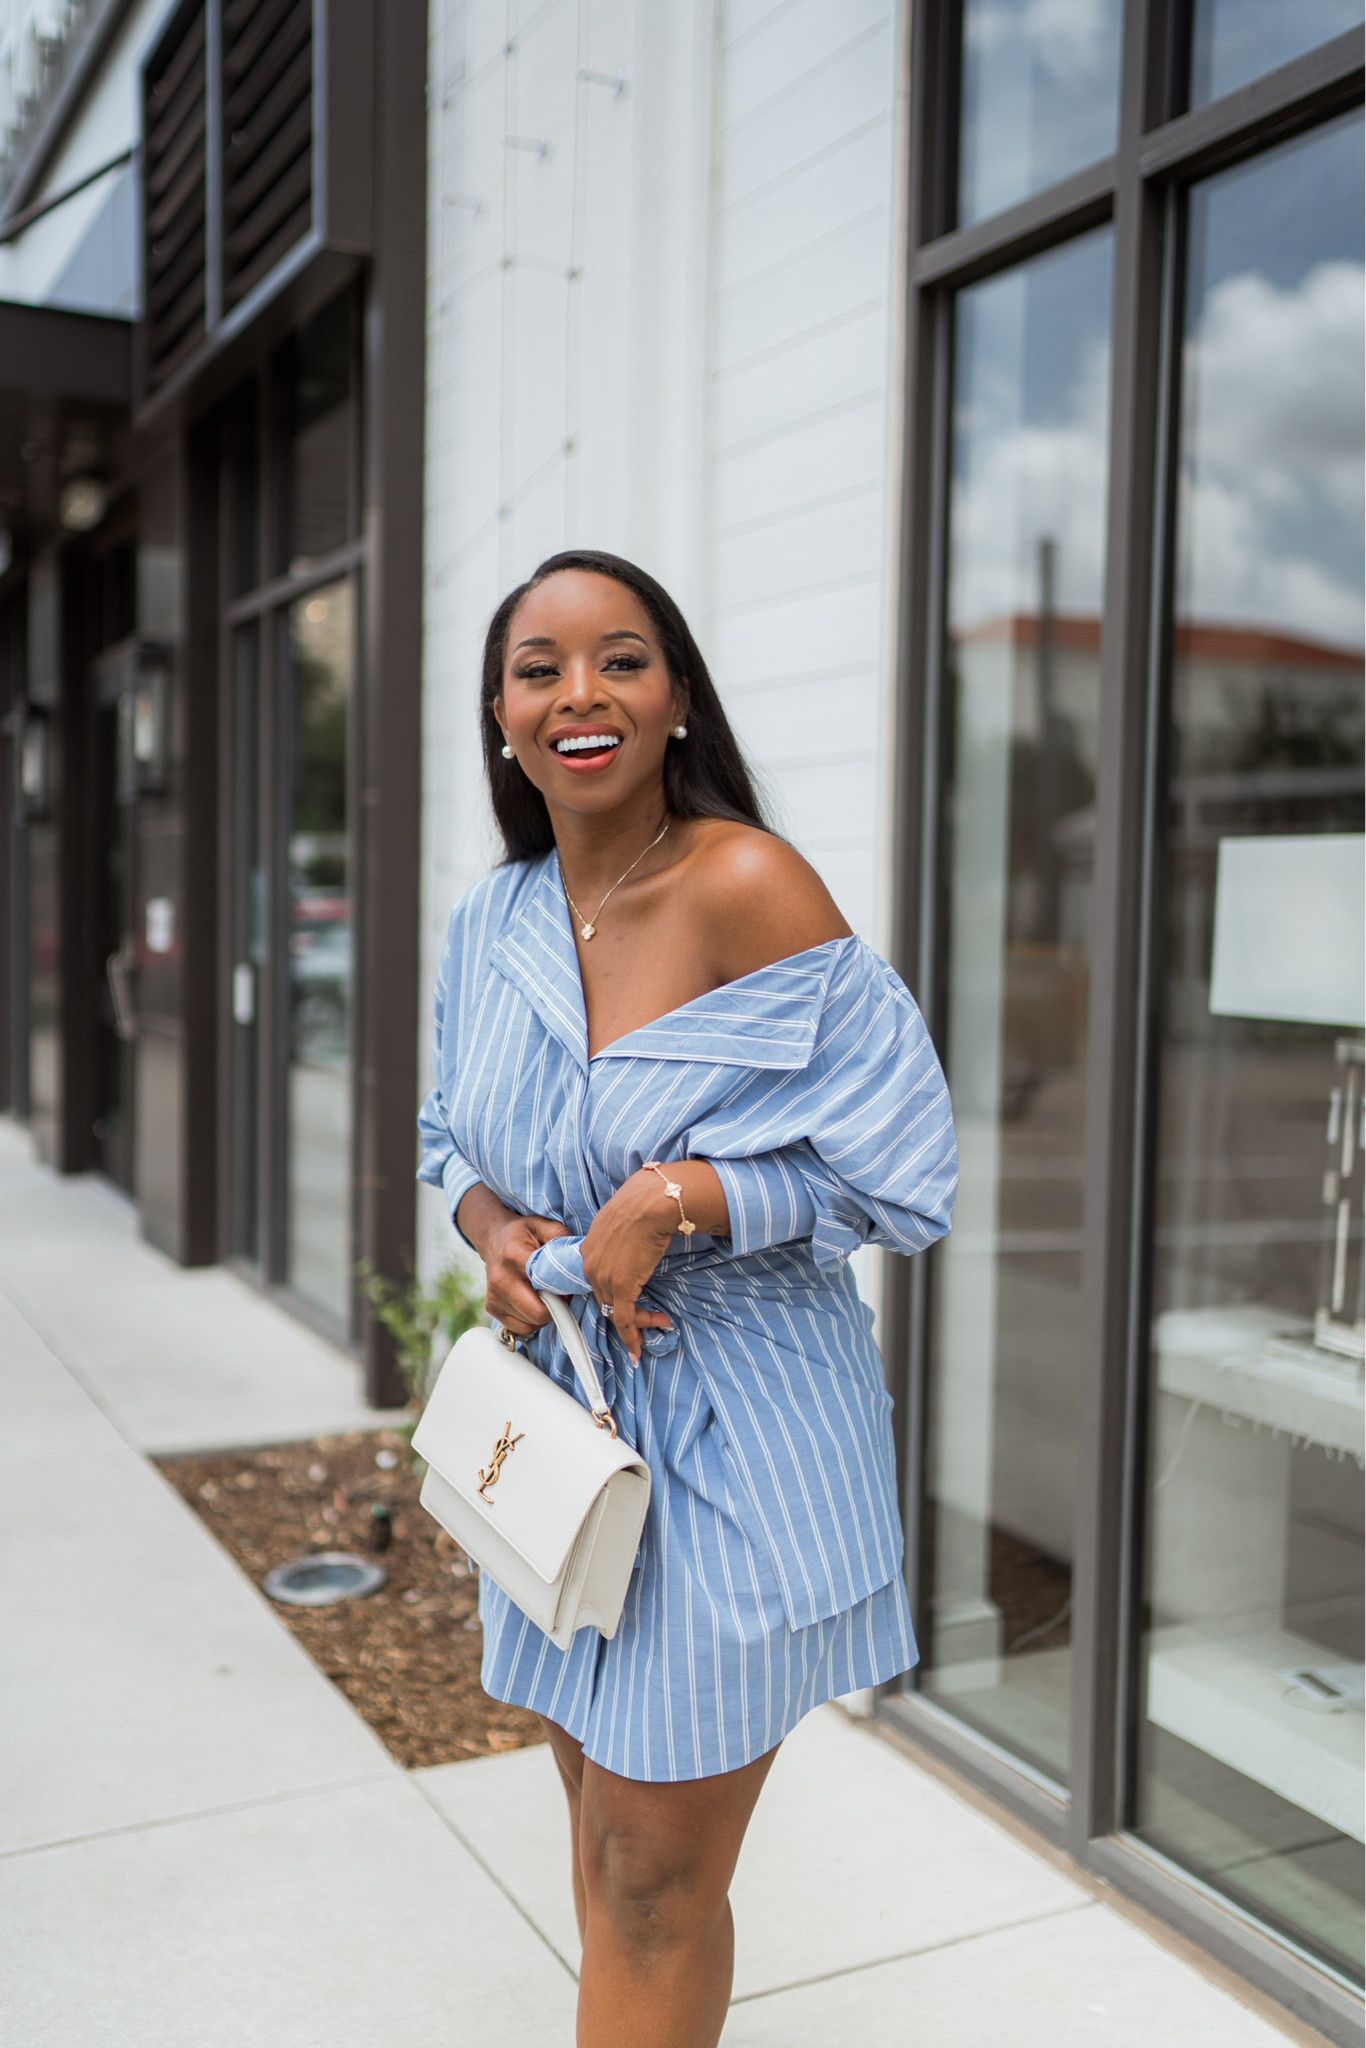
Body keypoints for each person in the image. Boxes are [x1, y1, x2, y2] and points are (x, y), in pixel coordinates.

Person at [418, 549, 956, 2048]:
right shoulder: (494, 920)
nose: (578, 693)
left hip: (736, 1437)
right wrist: (493, 1230)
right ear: (502, 716)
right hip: (566, 1441)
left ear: (674, 701)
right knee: (610, 1851)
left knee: (651, 1879)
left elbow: (906, 1171)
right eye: (538, 669)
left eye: (621, 659)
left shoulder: (745, 884)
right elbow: (447, 1134)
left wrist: (686, 1195)